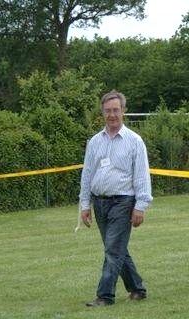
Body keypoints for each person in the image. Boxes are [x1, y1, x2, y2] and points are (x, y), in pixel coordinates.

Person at [79, 90, 153, 307]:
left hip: (123, 202)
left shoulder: (134, 141)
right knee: (117, 249)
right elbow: (87, 174)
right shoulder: (94, 141)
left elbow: (141, 175)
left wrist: (140, 206)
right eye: (108, 111)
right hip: (99, 202)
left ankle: (105, 296)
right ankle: (137, 289)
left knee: (112, 249)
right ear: (102, 112)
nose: (112, 115)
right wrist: (85, 205)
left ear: (123, 111)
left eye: (116, 110)